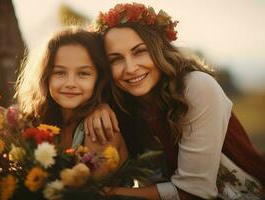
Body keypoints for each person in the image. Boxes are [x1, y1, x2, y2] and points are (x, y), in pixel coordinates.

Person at [84, 3, 265, 200]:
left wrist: (105, 195)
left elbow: (194, 192)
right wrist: (97, 106)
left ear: (158, 49)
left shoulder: (196, 87)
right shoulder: (119, 103)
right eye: (115, 59)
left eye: (139, 51)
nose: (130, 68)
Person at [14, 27, 128, 175]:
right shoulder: (38, 121)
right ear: (45, 77)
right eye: (60, 73)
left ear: (99, 79)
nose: (70, 83)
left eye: (83, 73)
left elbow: (86, 191)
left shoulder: (100, 130)